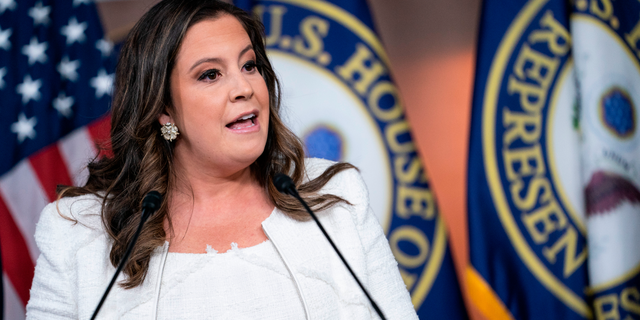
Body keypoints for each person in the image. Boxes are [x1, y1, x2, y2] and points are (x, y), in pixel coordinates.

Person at [25, 1, 418, 319]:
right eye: (211, 75)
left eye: (249, 66)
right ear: (164, 110)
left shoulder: (336, 199)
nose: (244, 87)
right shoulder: (79, 232)